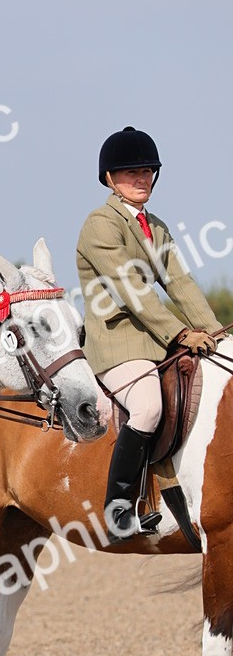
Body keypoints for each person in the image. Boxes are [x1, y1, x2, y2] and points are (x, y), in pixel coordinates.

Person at [76, 125, 222, 542]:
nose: (141, 179)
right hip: (116, 344)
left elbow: (180, 284)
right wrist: (180, 333)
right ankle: (120, 506)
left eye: (147, 172)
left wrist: (213, 333)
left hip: (155, 342)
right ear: (109, 178)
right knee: (147, 407)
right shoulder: (99, 226)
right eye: (130, 173)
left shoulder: (154, 227)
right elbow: (132, 292)